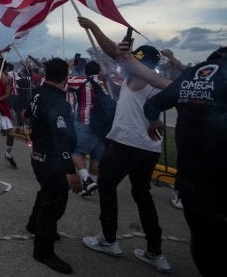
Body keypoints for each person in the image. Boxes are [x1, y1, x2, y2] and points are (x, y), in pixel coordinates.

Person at [78, 17, 173, 274]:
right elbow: (130, 97)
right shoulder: (154, 82)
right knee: (142, 193)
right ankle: (154, 251)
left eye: (135, 60)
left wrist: (92, 27)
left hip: (125, 142)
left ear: (142, 62)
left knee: (107, 187)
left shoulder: (140, 75)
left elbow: (112, 51)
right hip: (149, 148)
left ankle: (108, 239)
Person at [143, 46, 227, 276]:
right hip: (220, 179)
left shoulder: (193, 76)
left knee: (204, 245)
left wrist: (153, 121)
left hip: (190, 179)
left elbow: (152, 105)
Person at [26, 58, 81, 274]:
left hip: (39, 154)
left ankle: (34, 224)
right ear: (66, 77)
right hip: (53, 159)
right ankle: (43, 251)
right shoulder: (58, 100)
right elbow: (61, 135)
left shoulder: (39, 92)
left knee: (46, 192)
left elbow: (30, 113)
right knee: (54, 203)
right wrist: (69, 170)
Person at [70, 60, 107, 197]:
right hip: (104, 126)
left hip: (86, 123)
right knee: (96, 161)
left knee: (75, 152)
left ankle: (86, 180)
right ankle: (98, 185)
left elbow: (60, 80)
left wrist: (69, 65)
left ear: (86, 72)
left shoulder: (82, 81)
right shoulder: (108, 82)